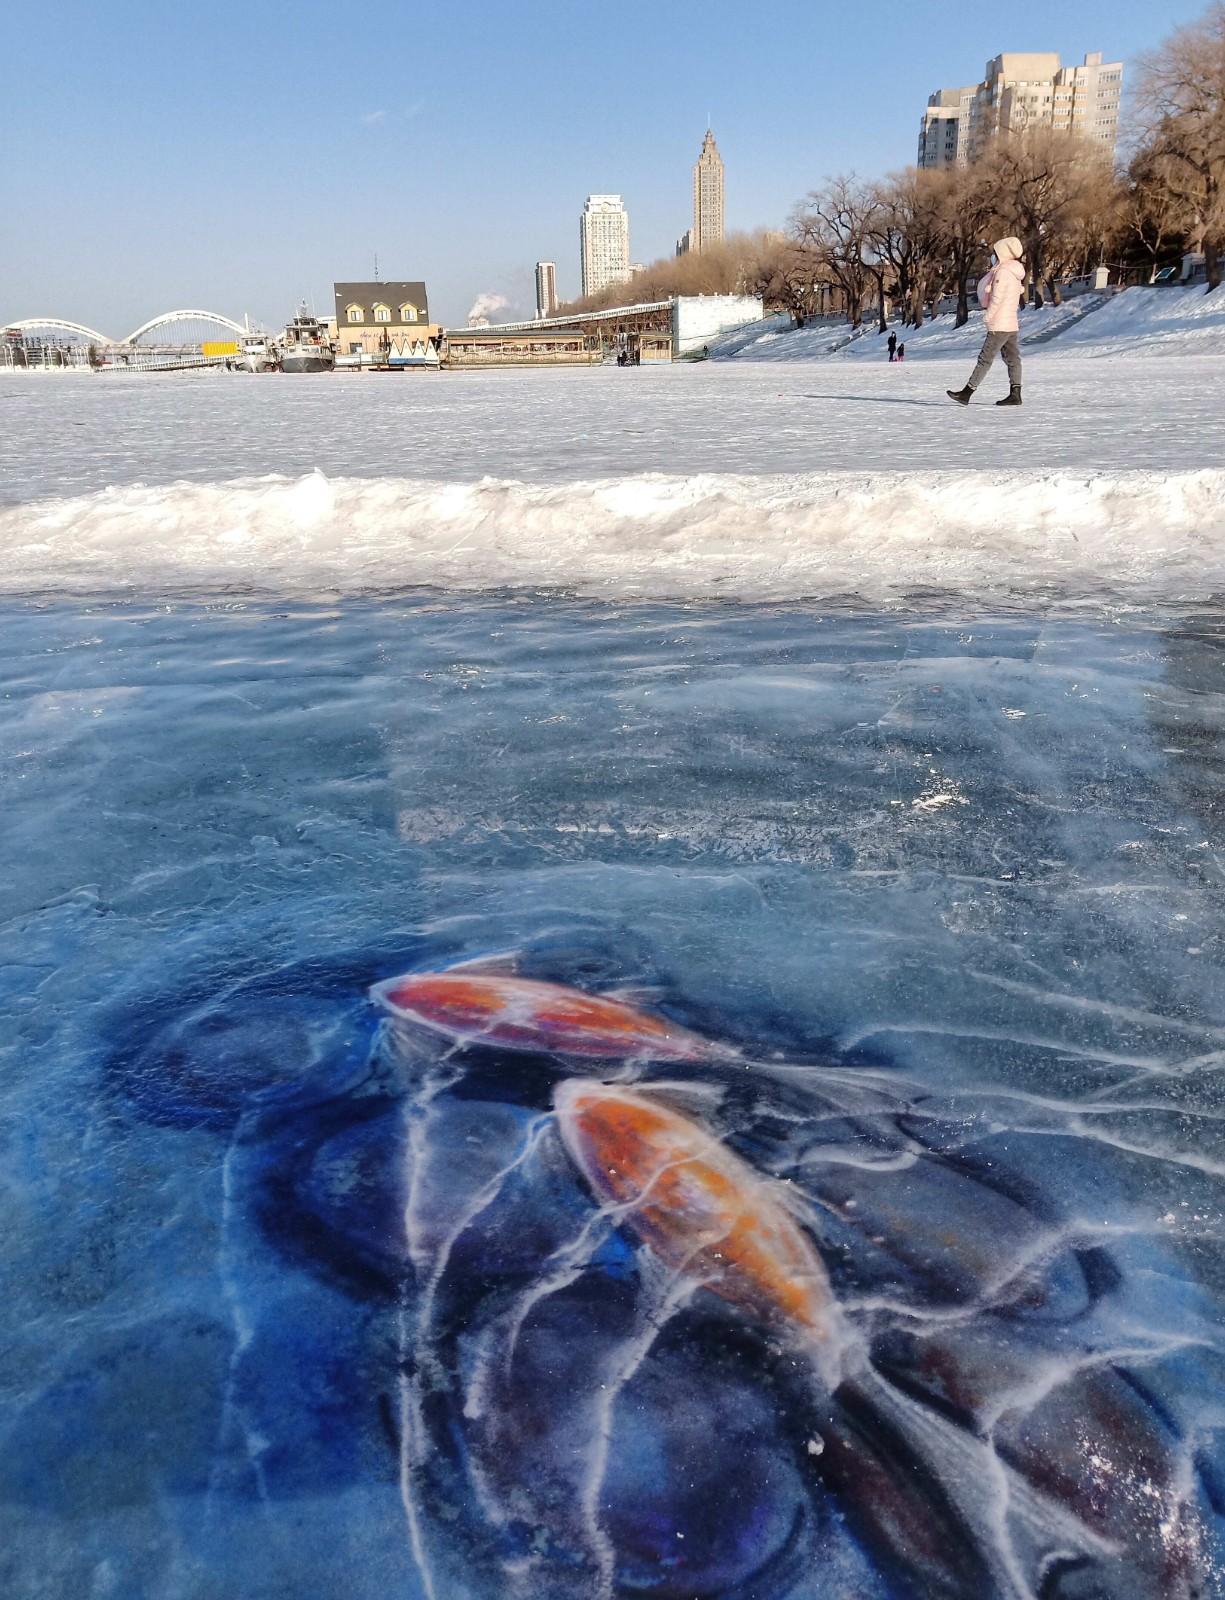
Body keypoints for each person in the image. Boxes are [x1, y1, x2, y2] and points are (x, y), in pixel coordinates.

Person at [947, 236, 1026, 407]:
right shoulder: (1015, 273)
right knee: (1013, 359)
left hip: (1000, 324)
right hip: (1011, 323)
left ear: (1002, 253)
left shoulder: (1003, 272)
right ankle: (1015, 393)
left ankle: (967, 393)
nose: (993, 256)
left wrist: (988, 317)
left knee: (985, 358)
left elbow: (997, 298)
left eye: (995, 253)